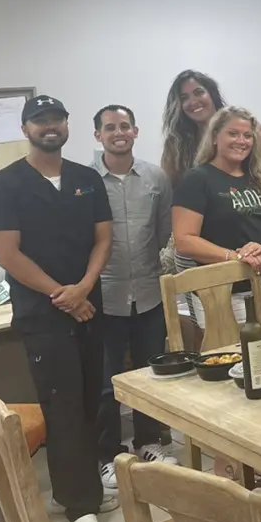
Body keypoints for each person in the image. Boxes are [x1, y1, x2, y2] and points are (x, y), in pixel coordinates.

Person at [0, 95, 117, 522]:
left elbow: (103, 239)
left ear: (67, 126)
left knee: (92, 401)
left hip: (88, 305)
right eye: (39, 120)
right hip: (44, 316)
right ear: (25, 129)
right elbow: (8, 253)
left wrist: (83, 287)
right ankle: (78, 504)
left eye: (56, 119)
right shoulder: (5, 184)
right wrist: (63, 296)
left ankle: (86, 485)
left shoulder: (87, 179)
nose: (49, 126)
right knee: (62, 407)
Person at [91, 105, 177, 495]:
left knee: (148, 374)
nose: (118, 132)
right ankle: (108, 456)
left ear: (136, 131)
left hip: (147, 293)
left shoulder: (156, 177)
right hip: (102, 297)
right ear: (98, 136)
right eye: (110, 128)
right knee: (106, 383)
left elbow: (164, 233)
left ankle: (149, 443)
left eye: (124, 126)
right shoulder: (86, 180)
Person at [172, 107, 261, 327]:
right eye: (233, 133)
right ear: (215, 136)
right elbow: (184, 239)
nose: (241, 141)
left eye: (247, 135)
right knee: (224, 357)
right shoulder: (197, 180)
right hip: (218, 290)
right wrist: (235, 257)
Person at [160, 70, 261, 189]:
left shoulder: (243, 124)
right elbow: (169, 189)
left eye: (199, 92)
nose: (193, 101)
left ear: (211, 94)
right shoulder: (175, 143)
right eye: (184, 98)